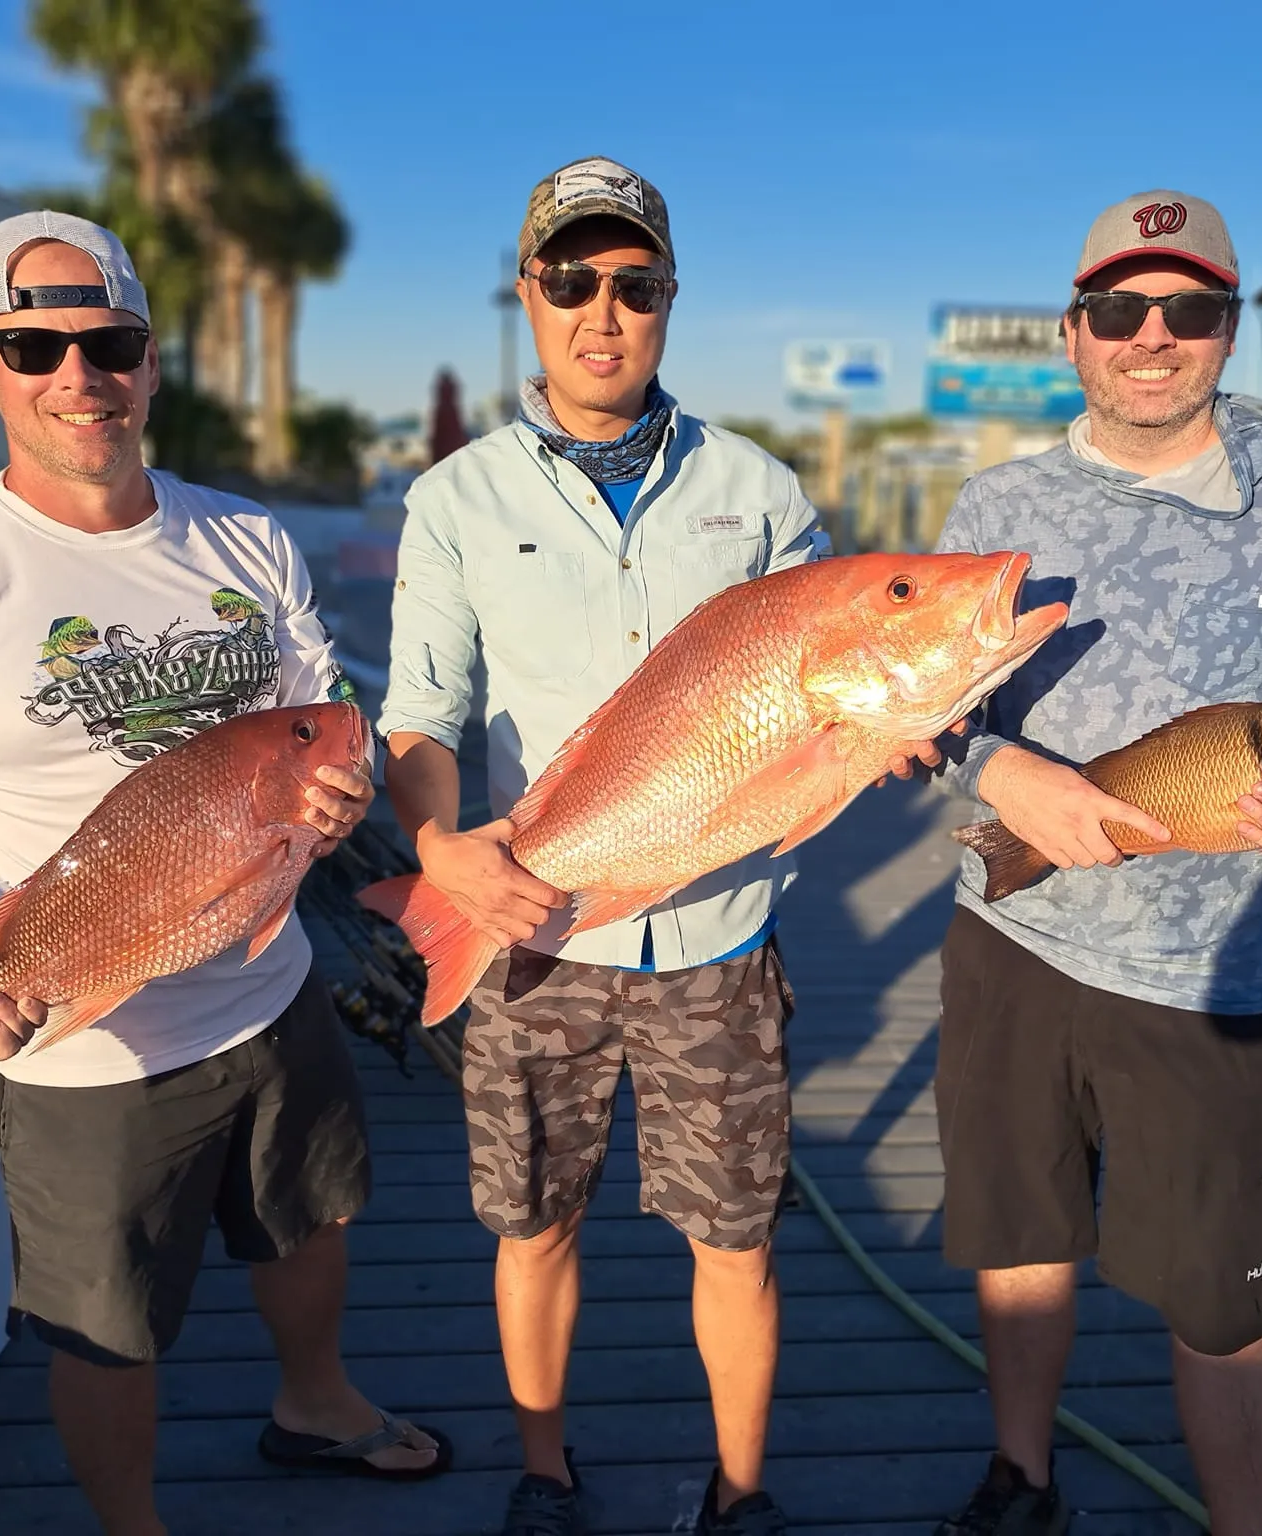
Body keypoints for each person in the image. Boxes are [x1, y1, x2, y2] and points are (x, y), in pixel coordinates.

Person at [0, 210, 448, 1536]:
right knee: (103, 1323)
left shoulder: (247, 538)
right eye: (33, 346)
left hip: (271, 984)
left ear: (150, 363)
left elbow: (322, 711)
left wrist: (338, 794)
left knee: (311, 1217)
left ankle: (317, 1402)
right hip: (75, 1039)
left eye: (109, 343)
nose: (77, 375)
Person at [377, 155, 939, 1536]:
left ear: (670, 299)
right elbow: (422, 712)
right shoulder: (453, 499)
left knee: (735, 1242)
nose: (603, 312)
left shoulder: (759, 489)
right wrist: (438, 847)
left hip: (717, 937)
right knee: (533, 1229)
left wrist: (890, 726)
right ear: (528, 295)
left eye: (633, 284)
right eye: (573, 280)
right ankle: (545, 1474)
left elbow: (836, 658)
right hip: (531, 931)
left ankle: (741, 1494)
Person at [924, 191, 1262, 1535]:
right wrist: (992, 768)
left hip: (1214, 975)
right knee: (1020, 1243)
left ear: (1229, 327)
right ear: (1073, 331)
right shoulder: (998, 503)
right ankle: (1021, 1476)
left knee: (1222, 1302)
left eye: (1189, 308)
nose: (1151, 336)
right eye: (1119, 308)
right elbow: (917, 713)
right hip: (1014, 939)